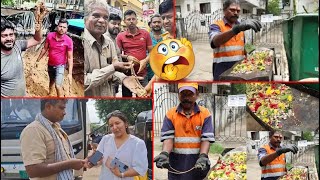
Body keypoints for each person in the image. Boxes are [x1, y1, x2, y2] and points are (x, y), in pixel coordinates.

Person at [154, 83, 215, 180]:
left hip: (198, 163)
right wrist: (164, 154)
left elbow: (206, 139)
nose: (186, 98)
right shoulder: (171, 114)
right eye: (183, 94)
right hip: (176, 163)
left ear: (197, 94)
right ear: (178, 95)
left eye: (190, 94)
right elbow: (168, 138)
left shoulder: (205, 114)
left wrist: (203, 156)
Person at [83, 0, 143, 97]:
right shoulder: (79, 42)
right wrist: (113, 67)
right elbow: (83, 82)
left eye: (105, 17)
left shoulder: (109, 42)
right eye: (96, 16)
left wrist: (124, 78)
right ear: (85, 19)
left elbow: (111, 73)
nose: (102, 20)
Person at [20, 99, 87, 179]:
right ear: (48, 106)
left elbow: (64, 157)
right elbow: (33, 170)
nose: (64, 112)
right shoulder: (34, 130)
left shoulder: (57, 129)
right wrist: (69, 164)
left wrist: (82, 162)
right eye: (61, 108)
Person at [208, 0, 262, 80]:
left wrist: (257, 53)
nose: (236, 13)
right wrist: (236, 29)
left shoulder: (241, 27)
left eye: (238, 11)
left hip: (239, 71)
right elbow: (215, 41)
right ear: (224, 10)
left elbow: (244, 45)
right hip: (222, 72)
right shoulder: (216, 25)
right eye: (232, 10)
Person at [91, 110, 148, 179]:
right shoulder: (106, 139)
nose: (114, 127)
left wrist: (122, 174)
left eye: (117, 123)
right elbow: (97, 157)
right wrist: (90, 162)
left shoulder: (137, 143)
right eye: (111, 125)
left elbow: (140, 168)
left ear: (126, 124)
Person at [1, 10, 43, 97]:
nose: (9, 38)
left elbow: (37, 40)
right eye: (4, 36)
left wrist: (38, 28)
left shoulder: (18, 45)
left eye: (11, 34)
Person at [116, 10, 153, 97]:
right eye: (128, 19)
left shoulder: (145, 34)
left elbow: (152, 53)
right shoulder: (120, 36)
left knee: (144, 96)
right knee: (126, 97)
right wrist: (127, 57)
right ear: (124, 21)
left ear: (137, 20)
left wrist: (145, 60)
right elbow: (117, 55)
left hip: (142, 73)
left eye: (133, 19)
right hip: (127, 74)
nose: (131, 21)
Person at [36, 18, 73, 97]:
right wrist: (38, 60)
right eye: (60, 26)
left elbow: (70, 58)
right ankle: (50, 93)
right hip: (50, 64)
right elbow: (45, 48)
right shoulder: (50, 36)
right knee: (51, 81)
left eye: (64, 27)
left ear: (67, 29)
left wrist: (70, 73)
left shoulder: (68, 41)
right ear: (57, 26)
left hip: (60, 66)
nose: (62, 29)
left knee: (58, 86)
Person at [147, 14, 163, 81]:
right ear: (150, 24)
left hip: (163, 73)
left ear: (162, 23)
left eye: (159, 22)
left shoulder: (167, 37)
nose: (156, 24)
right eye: (154, 22)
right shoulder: (146, 37)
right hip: (149, 73)